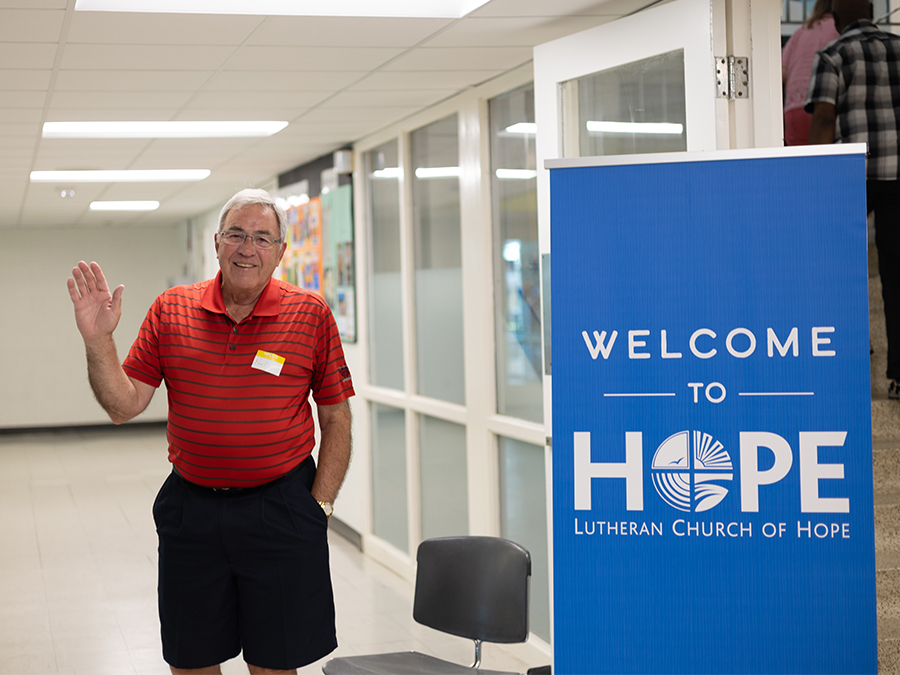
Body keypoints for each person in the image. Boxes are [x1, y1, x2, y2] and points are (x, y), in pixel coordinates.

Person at [67, 188, 354, 674]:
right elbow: (124, 405)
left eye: (263, 238)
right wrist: (99, 340)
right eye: (236, 235)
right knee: (191, 658)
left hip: (280, 507)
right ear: (217, 243)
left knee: (275, 662)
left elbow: (336, 418)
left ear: (281, 251)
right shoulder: (170, 310)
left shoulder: (310, 314)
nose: (248, 248)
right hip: (192, 511)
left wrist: (318, 507)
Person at [807, 0, 900, 399]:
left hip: (853, 176)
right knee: (897, 273)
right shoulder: (898, 47)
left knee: (840, 268)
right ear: (870, 10)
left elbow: (825, 117)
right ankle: (899, 375)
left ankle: (848, 352)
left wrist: (817, 177)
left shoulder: (833, 55)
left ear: (836, 18)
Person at [781, 0, 839, 145]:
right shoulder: (839, 29)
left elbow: (782, 74)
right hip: (821, 111)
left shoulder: (800, 32)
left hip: (792, 112)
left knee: (798, 164)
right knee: (824, 165)